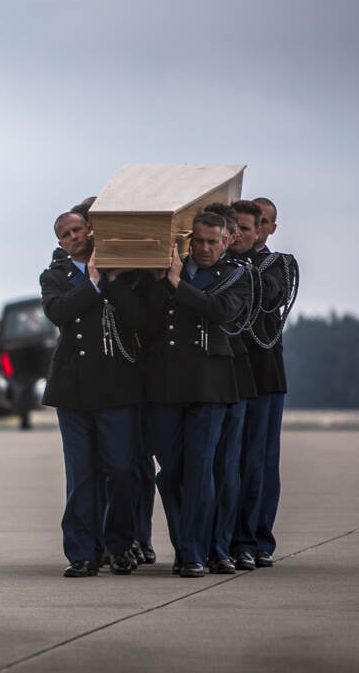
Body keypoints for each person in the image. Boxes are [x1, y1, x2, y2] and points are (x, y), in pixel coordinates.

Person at [141, 212, 249, 577]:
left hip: (209, 385)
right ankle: (187, 544)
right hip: (167, 385)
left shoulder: (235, 276)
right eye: (199, 241)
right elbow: (144, 320)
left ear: (226, 241)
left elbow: (222, 311)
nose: (204, 248)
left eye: (212, 242)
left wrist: (177, 286)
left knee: (200, 471)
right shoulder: (170, 269)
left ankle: (192, 553)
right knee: (171, 473)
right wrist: (163, 280)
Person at [41, 211, 143, 577]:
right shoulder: (55, 276)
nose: (72, 238)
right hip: (74, 389)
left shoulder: (125, 273)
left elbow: (139, 318)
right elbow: (59, 311)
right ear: (60, 243)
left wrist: (110, 280)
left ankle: (119, 544)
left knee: (121, 470)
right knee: (81, 474)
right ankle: (82, 552)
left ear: (90, 230)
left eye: (76, 230)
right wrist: (94, 282)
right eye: (64, 235)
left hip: (117, 387)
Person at [231, 197, 298, 569]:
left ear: (266, 228)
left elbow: (270, 295)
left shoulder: (278, 265)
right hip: (227, 375)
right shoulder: (223, 264)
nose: (247, 232)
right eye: (238, 226)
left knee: (258, 462)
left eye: (259, 224)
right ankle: (229, 538)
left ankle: (257, 539)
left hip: (263, 375)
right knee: (227, 463)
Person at [207, 206, 259, 574]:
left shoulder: (239, 275)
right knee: (191, 471)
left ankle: (224, 545)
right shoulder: (192, 273)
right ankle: (196, 545)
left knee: (229, 468)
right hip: (191, 381)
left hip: (232, 379)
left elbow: (226, 315)